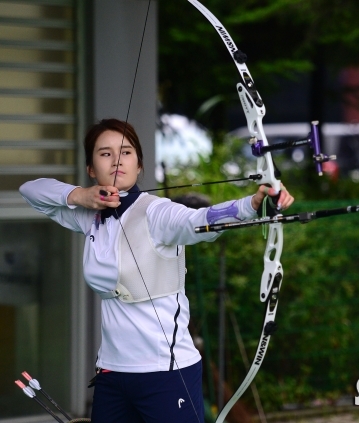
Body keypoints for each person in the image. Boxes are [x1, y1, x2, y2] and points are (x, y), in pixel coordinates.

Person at [19, 118, 294, 423]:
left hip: (166, 373)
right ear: (91, 168)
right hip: (112, 373)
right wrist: (80, 196)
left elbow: (202, 220)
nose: (116, 160)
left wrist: (252, 204)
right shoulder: (89, 217)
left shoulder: (157, 212)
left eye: (126, 152)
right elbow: (31, 189)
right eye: (105, 153)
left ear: (139, 165)